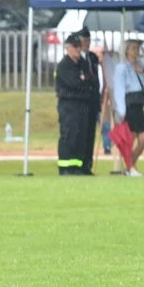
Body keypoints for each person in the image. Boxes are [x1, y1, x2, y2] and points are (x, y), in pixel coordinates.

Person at [56, 33, 99, 176]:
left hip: (82, 105)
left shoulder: (83, 63)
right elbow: (74, 83)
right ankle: (65, 166)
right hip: (69, 104)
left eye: (79, 47)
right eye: (75, 47)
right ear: (68, 48)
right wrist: (84, 82)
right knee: (69, 135)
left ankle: (79, 166)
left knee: (82, 135)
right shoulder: (64, 65)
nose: (77, 50)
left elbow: (92, 81)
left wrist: (84, 80)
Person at [113, 39, 144, 177]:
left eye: (138, 48)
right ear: (127, 50)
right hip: (129, 104)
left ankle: (131, 163)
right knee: (131, 137)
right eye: (134, 48)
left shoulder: (140, 65)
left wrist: (143, 72)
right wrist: (121, 110)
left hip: (139, 104)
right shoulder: (122, 68)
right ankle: (131, 167)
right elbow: (119, 89)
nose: (137, 51)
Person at [77, 28, 105, 173]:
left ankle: (88, 164)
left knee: (90, 134)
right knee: (81, 133)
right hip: (82, 102)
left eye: (88, 41)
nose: (86, 44)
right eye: (83, 41)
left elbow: (96, 78)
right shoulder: (76, 59)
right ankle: (80, 164)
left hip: (93, 101)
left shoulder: (92, 58)